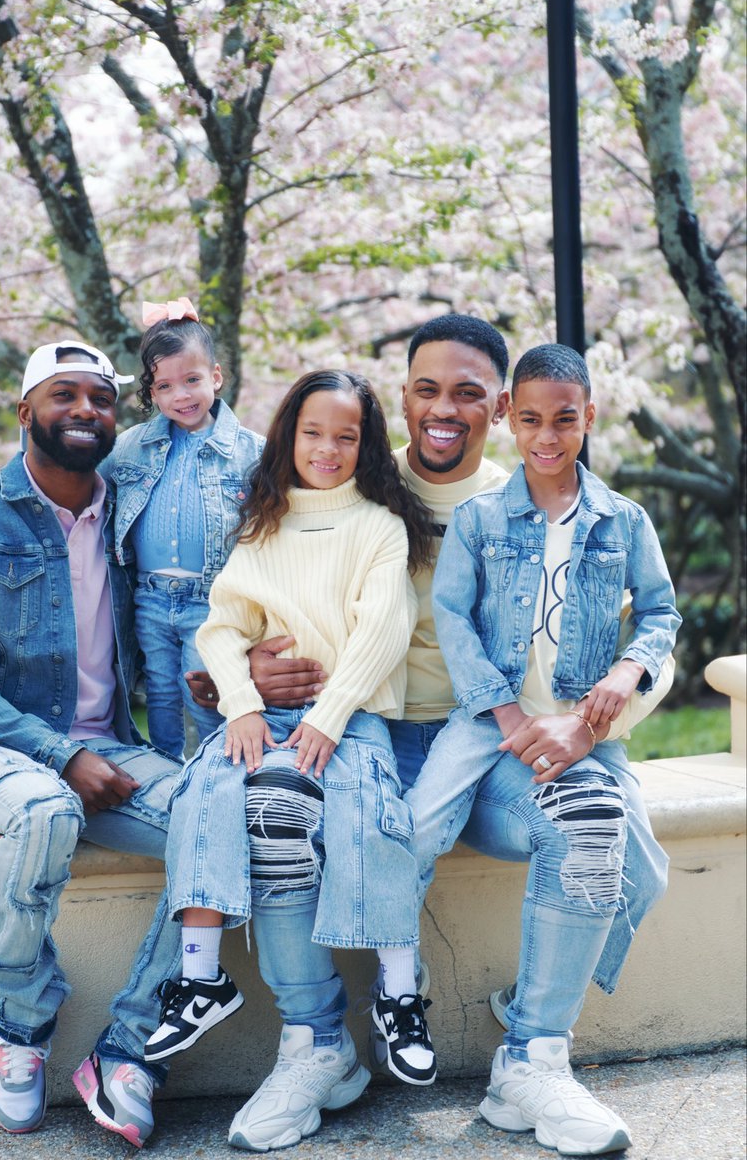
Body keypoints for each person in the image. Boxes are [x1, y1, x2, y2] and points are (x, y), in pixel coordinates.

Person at [186, 315, 673, 1155]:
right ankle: (315, 1046)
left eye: (470, 394)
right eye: (427, 389)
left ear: (503, 408)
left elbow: (638, 629)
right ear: (402, 396)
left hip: (485, 750)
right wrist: (250, 676)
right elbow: (255, 602)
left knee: (599, 832)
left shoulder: (518, 499)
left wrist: (601, 716)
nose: (445, 409)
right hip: (359, 735)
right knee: (281, 812)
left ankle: (533, 1055)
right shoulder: (351, 480)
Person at [0, 340, 184, 1148]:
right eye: (64, 396)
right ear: (25, 411)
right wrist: (58, 753)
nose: (85, 411)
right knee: (42, 808)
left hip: (107, 748)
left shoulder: (128, 518)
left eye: (100, 398)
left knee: (229, 818)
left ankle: (129, 1051)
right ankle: (18, 1027)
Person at [407, 342, 681, 1155]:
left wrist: (622, 678)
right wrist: (506, 719)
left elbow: (662, 614)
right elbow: (451, 617)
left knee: (646, 872)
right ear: (507, 420)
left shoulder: (624, 520)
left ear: (590, 417)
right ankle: (427, 997)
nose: (548, 436)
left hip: (583, 735)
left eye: (566, 419)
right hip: (492, 735)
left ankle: (529, 1009)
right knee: (415, 830)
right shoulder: (483, 520)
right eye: (530, 420)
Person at [145, 369, 439, 1094]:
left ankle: (399, 996)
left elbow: (382, 632)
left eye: (347, 436)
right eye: (314, 432)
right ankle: (199, 976)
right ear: (289, 435)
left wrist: (331, 716)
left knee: (372, 818)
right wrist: (240, 703)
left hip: (352, 715)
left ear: (367, 445)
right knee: (208, 788)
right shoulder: (265, 523)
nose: (328, 449)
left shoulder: (377, 525)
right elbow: (221, 627)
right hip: (263, 714)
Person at [105, 298, 264, 759]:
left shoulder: (251, 452)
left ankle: (218, 771)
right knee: (159, 691)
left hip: (212, 600)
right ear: (152, 393)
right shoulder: (130, 449)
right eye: (166, 386)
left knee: (209, 690)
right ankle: (167, 771)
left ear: (215, 376)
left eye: (192, 380)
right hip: (150, 597)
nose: (181, 396)